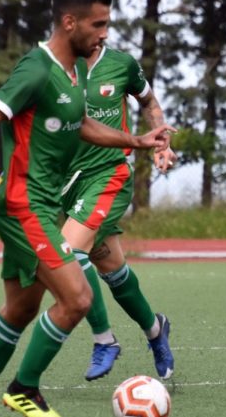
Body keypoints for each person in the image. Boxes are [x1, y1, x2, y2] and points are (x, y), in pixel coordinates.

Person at [0, 0, 174, 417]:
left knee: (20, 308)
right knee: (76, 298)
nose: (105, 33)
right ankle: (24, 389)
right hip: (21, 203)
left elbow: (82, 124)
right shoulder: (37, 69)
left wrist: (137, 140)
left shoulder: (72, 71)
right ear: (69, 22)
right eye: (99, 24)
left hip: (39, 203)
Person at [59, 45, 177, 382]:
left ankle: (104, 340)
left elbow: (150, 104)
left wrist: (163, 144)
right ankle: (156, 331)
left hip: (110, 174)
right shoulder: (56, 66)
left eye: (104, 24)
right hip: (70, 183)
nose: (100, 32)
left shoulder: (121, 64)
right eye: (94, 23)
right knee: (112, 270)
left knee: (71, 252)